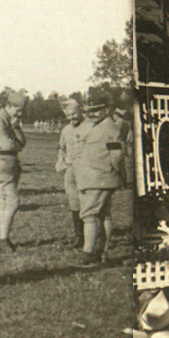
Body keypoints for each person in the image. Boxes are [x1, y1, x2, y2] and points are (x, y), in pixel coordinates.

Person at [70, 94, 129, 264]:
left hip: (100, 177)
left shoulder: (110, 128)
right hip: (94, 177)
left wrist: (120, 173)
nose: (91, 114)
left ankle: (88, 252)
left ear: (108, 109)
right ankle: (103, 252)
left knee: (89, 214)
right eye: (88, 111)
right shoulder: (100, 125)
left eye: (96, 111)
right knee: (104, 215)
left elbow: (116, 156)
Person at [0, 92, 28, 250]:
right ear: (8, 106)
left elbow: (22, 142)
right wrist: (18, 143)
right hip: (2, 162)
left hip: (7, 163)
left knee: (4, 202)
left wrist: (16, 129)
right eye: (18, 110)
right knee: (13, 202)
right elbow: (9, 145)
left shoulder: (6, 120)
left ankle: (3, 237)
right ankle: (4, 238)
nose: (20, 114)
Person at [57, 96, 85, 248]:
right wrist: (61, 161)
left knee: (88, 204)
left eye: (74, 114)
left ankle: (94, 236)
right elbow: (61, 148)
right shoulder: (66, 130)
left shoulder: (89, 127)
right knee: (74, 203)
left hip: (87, 170)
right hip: (71, 170)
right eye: (68, 115)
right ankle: (79, 236)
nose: (72, 117)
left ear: (80, 111)